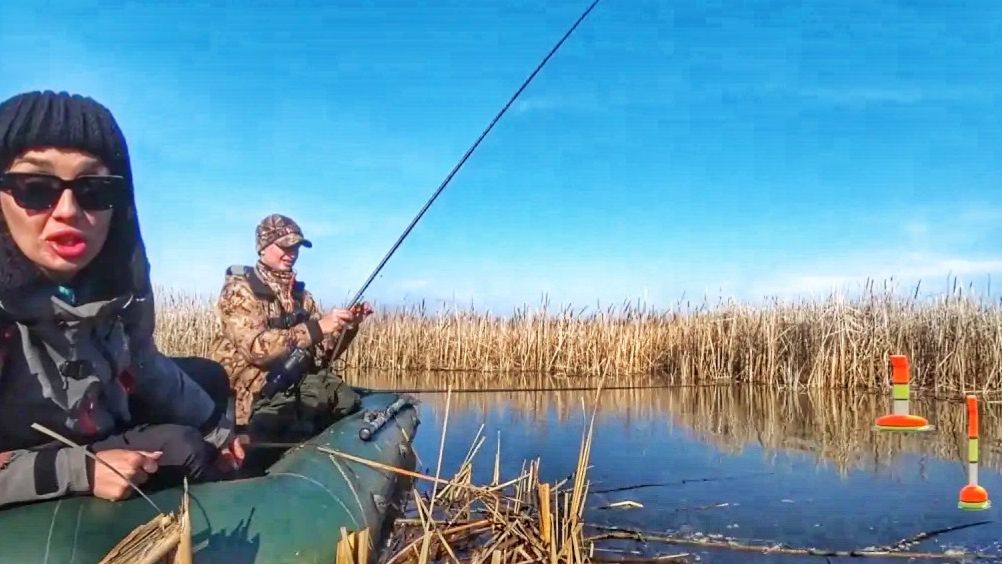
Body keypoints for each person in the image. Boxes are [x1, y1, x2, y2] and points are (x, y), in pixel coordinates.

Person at [0, 91, 244, 508]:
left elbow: (145, 365)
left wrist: (221, 431)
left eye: (94, 190)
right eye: (35, 188)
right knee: (186, 448)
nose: (68, 210)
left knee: (209, 377)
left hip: (96, 418)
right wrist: (80, 471)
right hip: (28, 458)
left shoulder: (121, 289)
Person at [209, 214, 371, 440]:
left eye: (296, 246)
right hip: (248, 400)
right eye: (284, 246)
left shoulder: (302, 296)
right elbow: (257, 349)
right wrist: (317, 328)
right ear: (263, 247)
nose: (292, 252)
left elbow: (321, 357)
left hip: (295, 390)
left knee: (340, 397)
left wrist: (346, 328)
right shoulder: (239, 290)